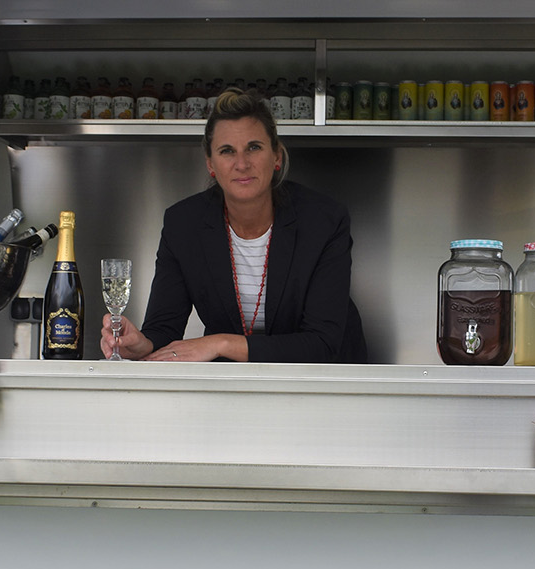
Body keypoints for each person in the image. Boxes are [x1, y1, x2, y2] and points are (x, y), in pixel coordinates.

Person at [100, 89, 367, 363]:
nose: (242, 163)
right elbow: (164, 328)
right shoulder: (183, 224)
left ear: (276, 156)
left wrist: (220, 343)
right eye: (227, 151)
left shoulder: (323, 220)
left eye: (254, 147)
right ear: (210, 164)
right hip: (233, 378)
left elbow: (321, 343)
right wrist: (140, 344)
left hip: (325, 378)